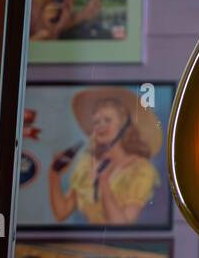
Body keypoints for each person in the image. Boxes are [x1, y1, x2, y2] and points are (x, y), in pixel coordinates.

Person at [49, 89, 162, 226]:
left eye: (107, 120)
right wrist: (54, 176)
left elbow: (121, 226)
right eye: (96, 122)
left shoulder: (141, 170)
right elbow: (62, 213)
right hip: (86, 245)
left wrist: (103, 182)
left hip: (120, 246)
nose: (100, 126)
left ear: (124, 125)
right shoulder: (86, 164)